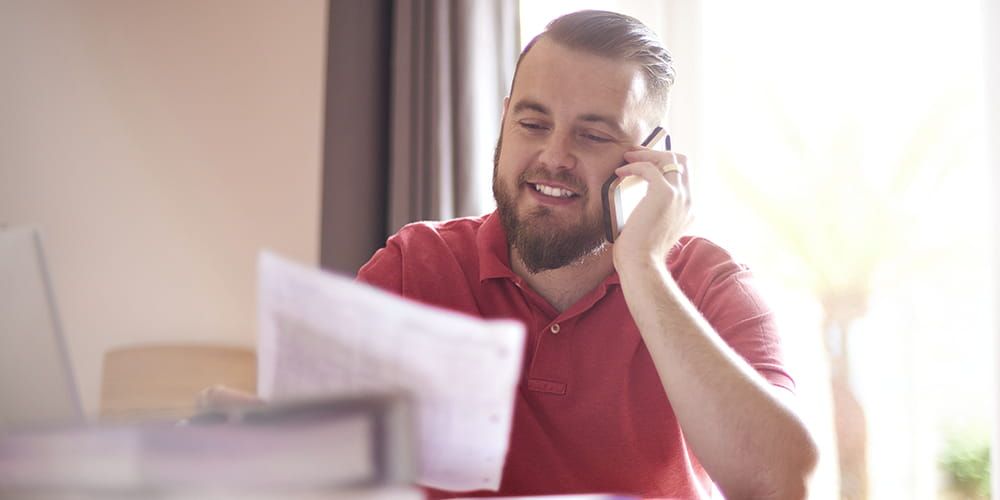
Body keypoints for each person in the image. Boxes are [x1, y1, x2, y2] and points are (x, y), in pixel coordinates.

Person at [355, 9, 818, 500]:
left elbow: (783, 484)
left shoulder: (710, 285)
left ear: (650, 159)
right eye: (532, 123)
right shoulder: (414, 266)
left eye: (593, 135)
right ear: (505, 121)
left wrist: (643, 269)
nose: (554, 156)